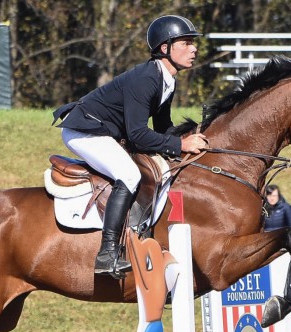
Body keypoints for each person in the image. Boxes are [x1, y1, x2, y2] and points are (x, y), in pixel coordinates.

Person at [53, 15, 210, 279]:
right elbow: (138, 135)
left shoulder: (167, 79)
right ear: (165, 48)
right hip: (85, 131)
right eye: (186, 42)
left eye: (193, 43)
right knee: (128, 174)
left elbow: (162, 127)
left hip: (107, 132)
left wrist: (193, 137)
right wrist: (180, 143)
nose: (194, 48)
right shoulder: (146, 79)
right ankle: (107, 253)